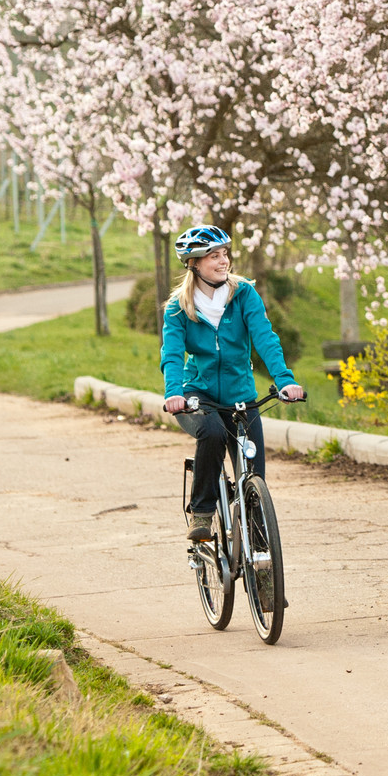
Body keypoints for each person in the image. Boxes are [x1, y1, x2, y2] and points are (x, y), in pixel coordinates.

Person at [161, 224, 305, 541]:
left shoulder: (244, 295)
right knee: (211, 432)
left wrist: (284, 380)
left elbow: (266, 338)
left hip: (242, 397)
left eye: (225, 253)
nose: (223, 260)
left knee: (254, 484)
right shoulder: (178, 308)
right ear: (194, 263)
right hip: (198, 398)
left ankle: (265, 579)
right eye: (214, 256)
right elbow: (171, 354)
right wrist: (174, 393)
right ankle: (202, 513)